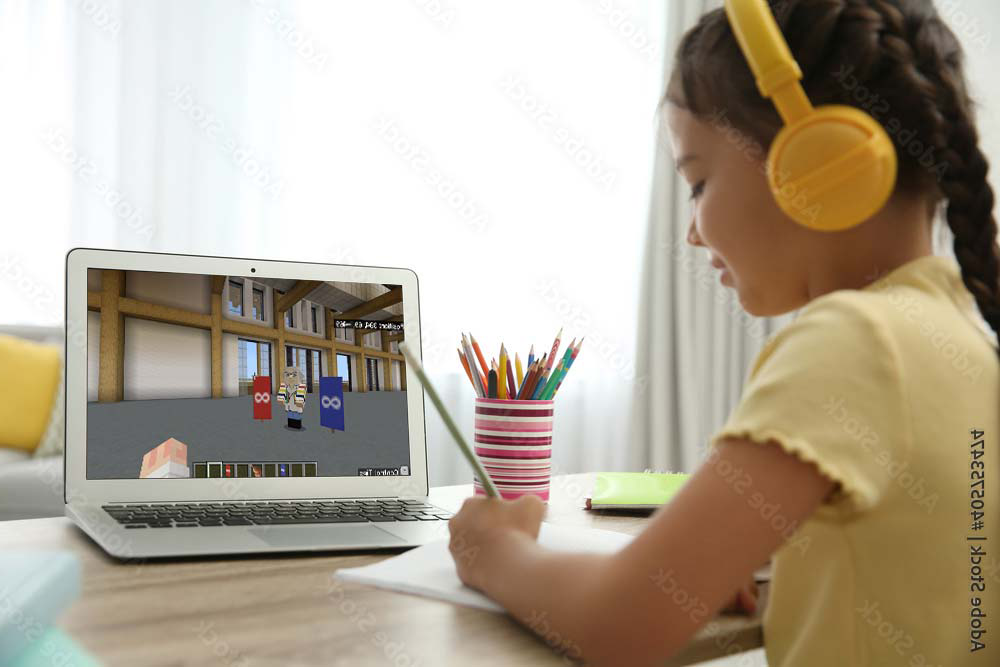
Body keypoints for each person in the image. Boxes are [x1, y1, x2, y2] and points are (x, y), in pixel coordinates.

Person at [446, 1, 1000, 665]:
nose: (693, 231)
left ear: (819, 160)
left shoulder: (852, 340)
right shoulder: (963, 338)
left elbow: (617, 625)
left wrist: (495, 551)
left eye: (699, 182)